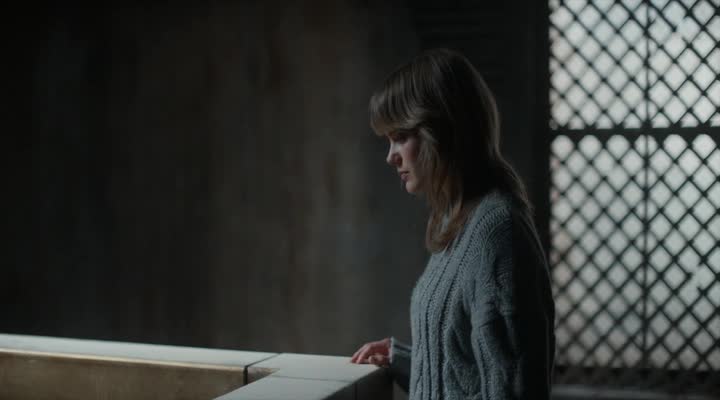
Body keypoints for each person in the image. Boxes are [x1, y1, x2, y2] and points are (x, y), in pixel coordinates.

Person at [349, 48, 556, 400]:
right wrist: (404, 361)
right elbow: (467, 374)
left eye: (401, 137)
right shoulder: (460, 221)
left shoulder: (496, 232)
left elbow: (513, 389)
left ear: (441, 131)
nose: (390, 156)